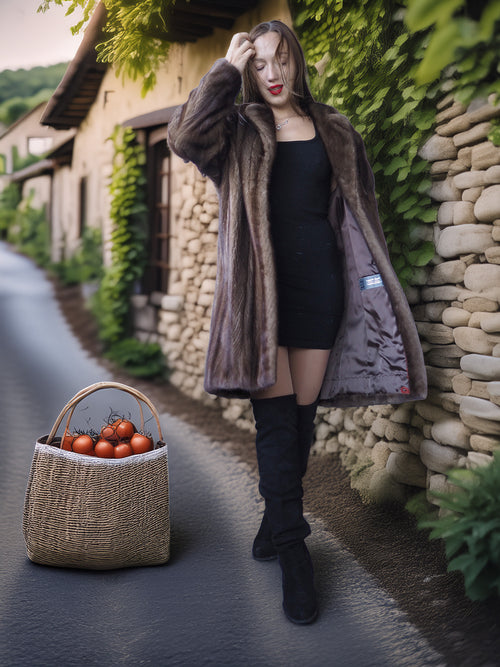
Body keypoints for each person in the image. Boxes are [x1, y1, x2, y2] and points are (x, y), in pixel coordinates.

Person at [168, 20, 427, 625]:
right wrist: (225, 71)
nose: (273, 73)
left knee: (300, 422)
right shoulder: (237, 129)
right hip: (260, 300)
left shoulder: (335, 130)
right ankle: (293, 552)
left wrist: (370, 293)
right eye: (260, 64)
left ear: (297, 63)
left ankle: (272, 520)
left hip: (321, 293)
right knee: (275, 426)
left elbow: (361, 221)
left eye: (281, 60)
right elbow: (183, 138)